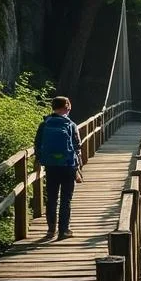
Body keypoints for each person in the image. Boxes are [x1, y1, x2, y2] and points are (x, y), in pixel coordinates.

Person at [34, 96, 82, 239]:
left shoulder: (44, 124)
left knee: (52, 198)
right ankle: (64, 230)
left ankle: (50, 230)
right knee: (65, 199)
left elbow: (37, 143)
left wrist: (39, 160)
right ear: (67, 107)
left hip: (51, 166)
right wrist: (78, 168)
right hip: (68, 166)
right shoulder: (71, 124)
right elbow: (77, 146)